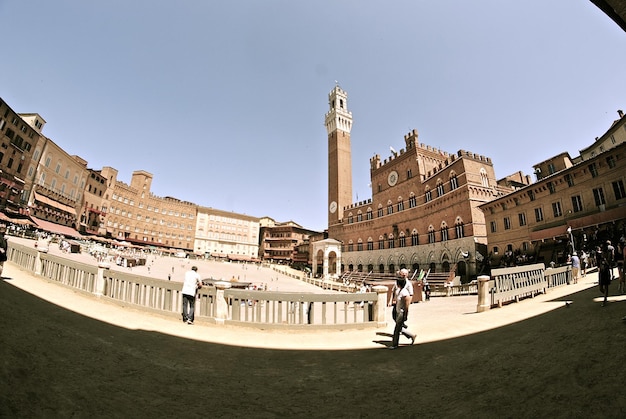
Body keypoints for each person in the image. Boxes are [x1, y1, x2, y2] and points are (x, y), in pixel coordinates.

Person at [389, 275, 415, 349]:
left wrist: (405, 315)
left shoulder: (405, 293)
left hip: (401, 312)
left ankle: (395, 344)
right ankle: (411, 335)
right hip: (398, 310)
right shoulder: (399, 291)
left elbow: (406, 306)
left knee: (397, 329)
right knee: (399, 328)